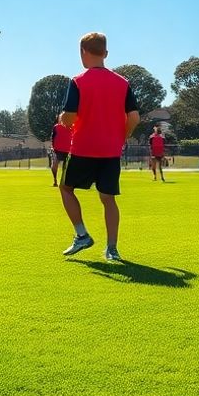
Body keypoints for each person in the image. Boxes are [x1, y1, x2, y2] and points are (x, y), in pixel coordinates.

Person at [58, 33, 139, 262]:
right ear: (105, 54)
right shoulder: (123, 83)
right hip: (110, 151)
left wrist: (64, 119)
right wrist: (122, 136)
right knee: (108, 198)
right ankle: (112, 249)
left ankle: (81, 234)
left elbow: (70, 117)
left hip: (83, 148)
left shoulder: (78, 81)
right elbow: (134, 118)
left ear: (82, 52)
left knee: (66, 188)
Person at [49, 120, 72, 187]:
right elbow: (53, 137)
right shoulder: (56, 127)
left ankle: (65, 182)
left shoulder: (72, 127)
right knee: (54, 166)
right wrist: (53, 146)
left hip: (68, 150)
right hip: (57, 150)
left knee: (66, 168)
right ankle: (55, 180)